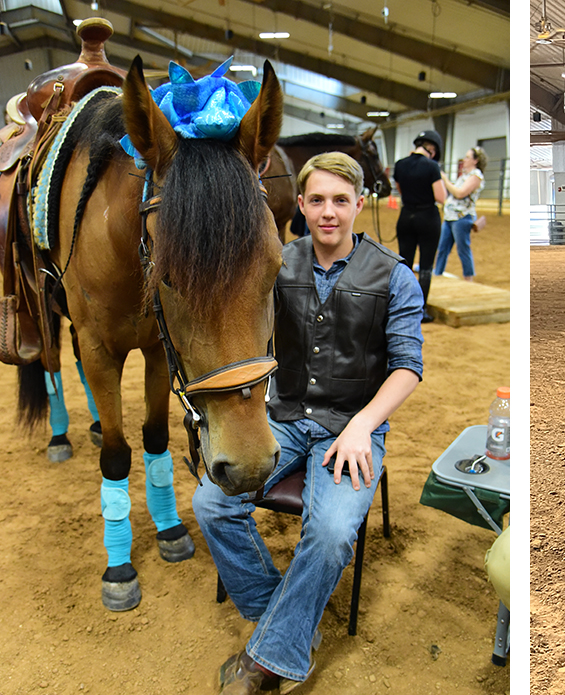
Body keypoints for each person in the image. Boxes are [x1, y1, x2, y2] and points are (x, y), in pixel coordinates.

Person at [194, 151, 424, 694]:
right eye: (317, 200)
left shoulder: (396, 277)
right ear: (299, 204)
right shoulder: (273, 265)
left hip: (353, 424)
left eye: (340, 201)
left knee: (329, 532)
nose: (328, 212)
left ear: (359, 205)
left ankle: (269, 655)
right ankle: (287, 626)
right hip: (285, 417)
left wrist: (364, 425)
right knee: (211, 503)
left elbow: (407, 368)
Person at [393, 130, 447, 322]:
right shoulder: (432, 166)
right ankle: (420, 309)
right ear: (432, 149)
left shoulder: (400, 165)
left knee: (404, 263)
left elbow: (400, 190)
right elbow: (441, 197)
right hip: (427, 218)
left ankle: (401, 305)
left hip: (406, 216)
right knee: (425, 265)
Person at [434, 146, 487, 281]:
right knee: (442, 249)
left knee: (463, 250)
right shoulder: (464, 176)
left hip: (461, 218)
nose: (465, 159)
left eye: (468, 157)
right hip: (450, 217)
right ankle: (437, 275)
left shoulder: (475, 176)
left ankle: (468, 279)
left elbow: (460, 193)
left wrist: (445, 180)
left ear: (475, 161)